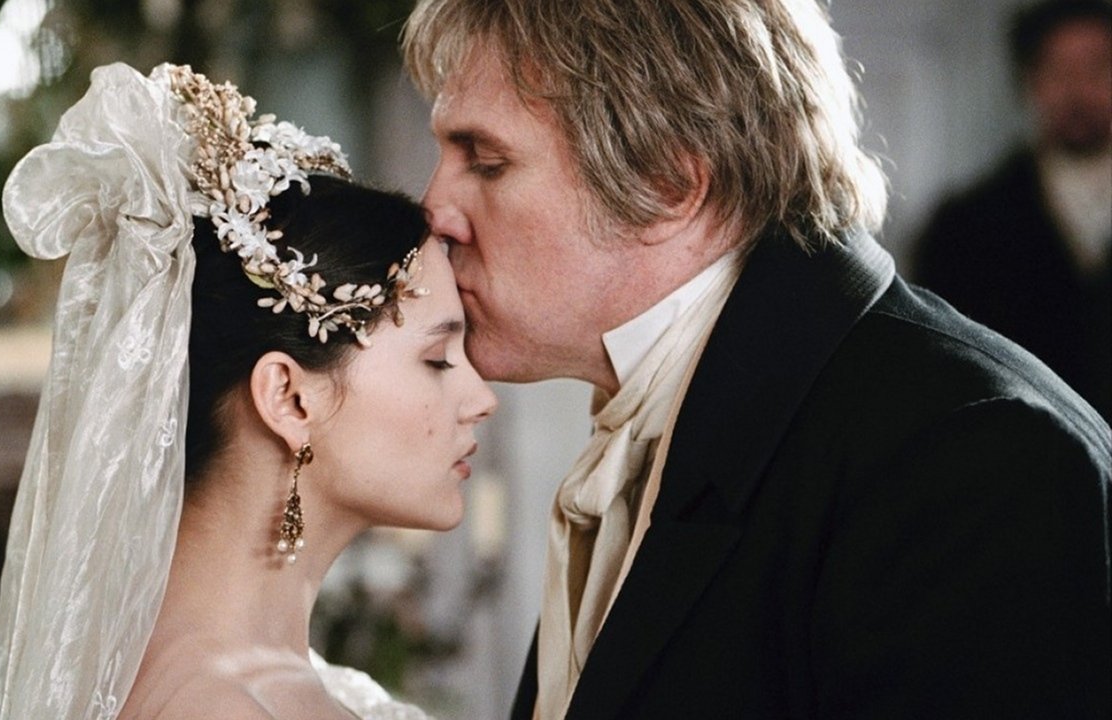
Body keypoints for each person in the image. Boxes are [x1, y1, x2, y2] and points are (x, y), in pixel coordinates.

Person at [402, 1, 1112, 718]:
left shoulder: (973, 459)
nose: (434, 211)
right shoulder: (677, 407)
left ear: (667, 183)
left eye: (486, 162)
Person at [0, 62, 496, 719]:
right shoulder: (209, 706)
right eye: (437, 359)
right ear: (288, 397)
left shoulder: (287, 685)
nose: (482, 399)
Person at [914, 0, 1112, 420]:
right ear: (1030, 81)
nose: (1078, 90)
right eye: (1058, 70)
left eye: (1098, 68)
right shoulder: (964, 229)